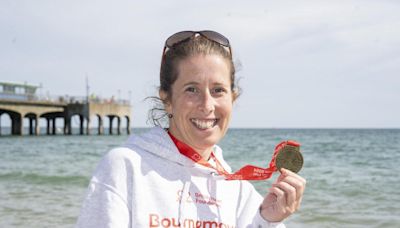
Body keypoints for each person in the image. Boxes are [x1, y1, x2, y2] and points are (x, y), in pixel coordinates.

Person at [76, 30, 306, 228]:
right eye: (191, 90)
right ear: (167, 99)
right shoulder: (126, 167)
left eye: (218, 90)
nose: (207, 105)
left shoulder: (237, 190)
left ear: (232, 98)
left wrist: (267, 220)